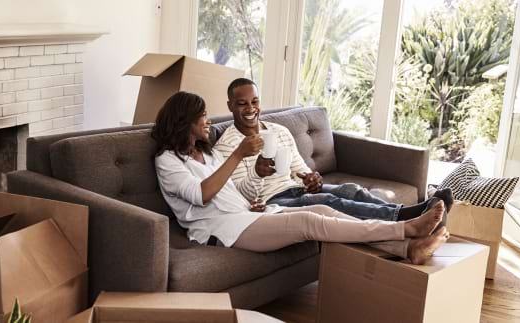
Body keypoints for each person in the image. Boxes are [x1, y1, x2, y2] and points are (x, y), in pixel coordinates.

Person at [152, 91, 449, 265]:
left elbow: (232, 189)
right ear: (184, 121)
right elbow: (201, 194)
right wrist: (239, 156)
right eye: (202, 115)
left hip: (245, 215)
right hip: (220, 230)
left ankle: (408, 248)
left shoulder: (207, 154)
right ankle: (404, 229)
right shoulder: (167, 161)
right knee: (310, 222)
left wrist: (255, 182)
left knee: (322, 210)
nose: (208, 121)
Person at [214, 78, 454, 223]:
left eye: (254, 101)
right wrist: (258, 173)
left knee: (350, 190)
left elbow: (300, 170)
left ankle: (408, 212)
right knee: (327, 200)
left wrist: (312, 179)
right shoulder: (227, 145)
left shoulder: (278, 131)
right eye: (241, 103)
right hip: (272, 202)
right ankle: (409, 216)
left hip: (294, 188)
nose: (250, 108)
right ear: (230, 106)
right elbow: (240, 194)